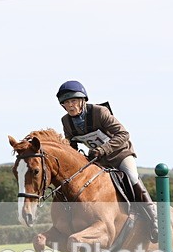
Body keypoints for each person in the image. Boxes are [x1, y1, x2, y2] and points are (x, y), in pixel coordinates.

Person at [56, 80, 158, 242]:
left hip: (120, 154)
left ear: (83, 101)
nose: (70, 106)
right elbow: (72, 144)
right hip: (99, 161)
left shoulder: (99, 112)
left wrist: (103, 150)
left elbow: (123, 134)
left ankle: (154, 216)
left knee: (131, 176)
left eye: (74, 101)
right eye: (66, 103)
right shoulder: (66, 121)